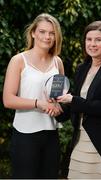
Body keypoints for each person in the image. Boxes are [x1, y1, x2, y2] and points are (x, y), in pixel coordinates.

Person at [56, 21, 101, 179]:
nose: (92, 44)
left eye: (98, 39)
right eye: (89, 39)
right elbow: (74, 105)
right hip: (81, 142)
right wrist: (55, 109)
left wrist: (73, 100)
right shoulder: (82, 69)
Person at [3, 13, 64, 179]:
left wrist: (58, 105)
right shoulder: (18, 60)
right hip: (25, 135)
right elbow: (8, 100)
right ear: (33, 33)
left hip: (51, 134)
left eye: (52, 33)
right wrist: (39, 103)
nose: (47, 36)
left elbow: (57, 97)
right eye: (43, 32)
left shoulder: (57, 62)